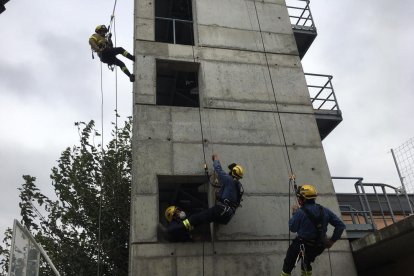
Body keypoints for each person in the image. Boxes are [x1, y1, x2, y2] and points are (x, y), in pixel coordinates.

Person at [166, 154, 244, 238]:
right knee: (202, 219)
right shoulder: (240, 188)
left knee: (196, 218)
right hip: (228, 216)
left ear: (232, 172)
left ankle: (174, 230)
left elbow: (219, 170)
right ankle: (188, 230)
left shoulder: (229, 179)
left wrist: (215, 159)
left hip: (221, 210)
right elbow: (233, 200)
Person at [280, 184, 346, 276]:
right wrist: (332, 241)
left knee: (288, 265)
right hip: (318, 246)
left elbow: (293, 228)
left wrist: (294, 213)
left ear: (302, 199)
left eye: (299, 197)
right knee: (306, 263)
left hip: (301, 245)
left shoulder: (300, 212)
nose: (298, 199)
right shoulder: (324, 210)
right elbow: (340, 225)